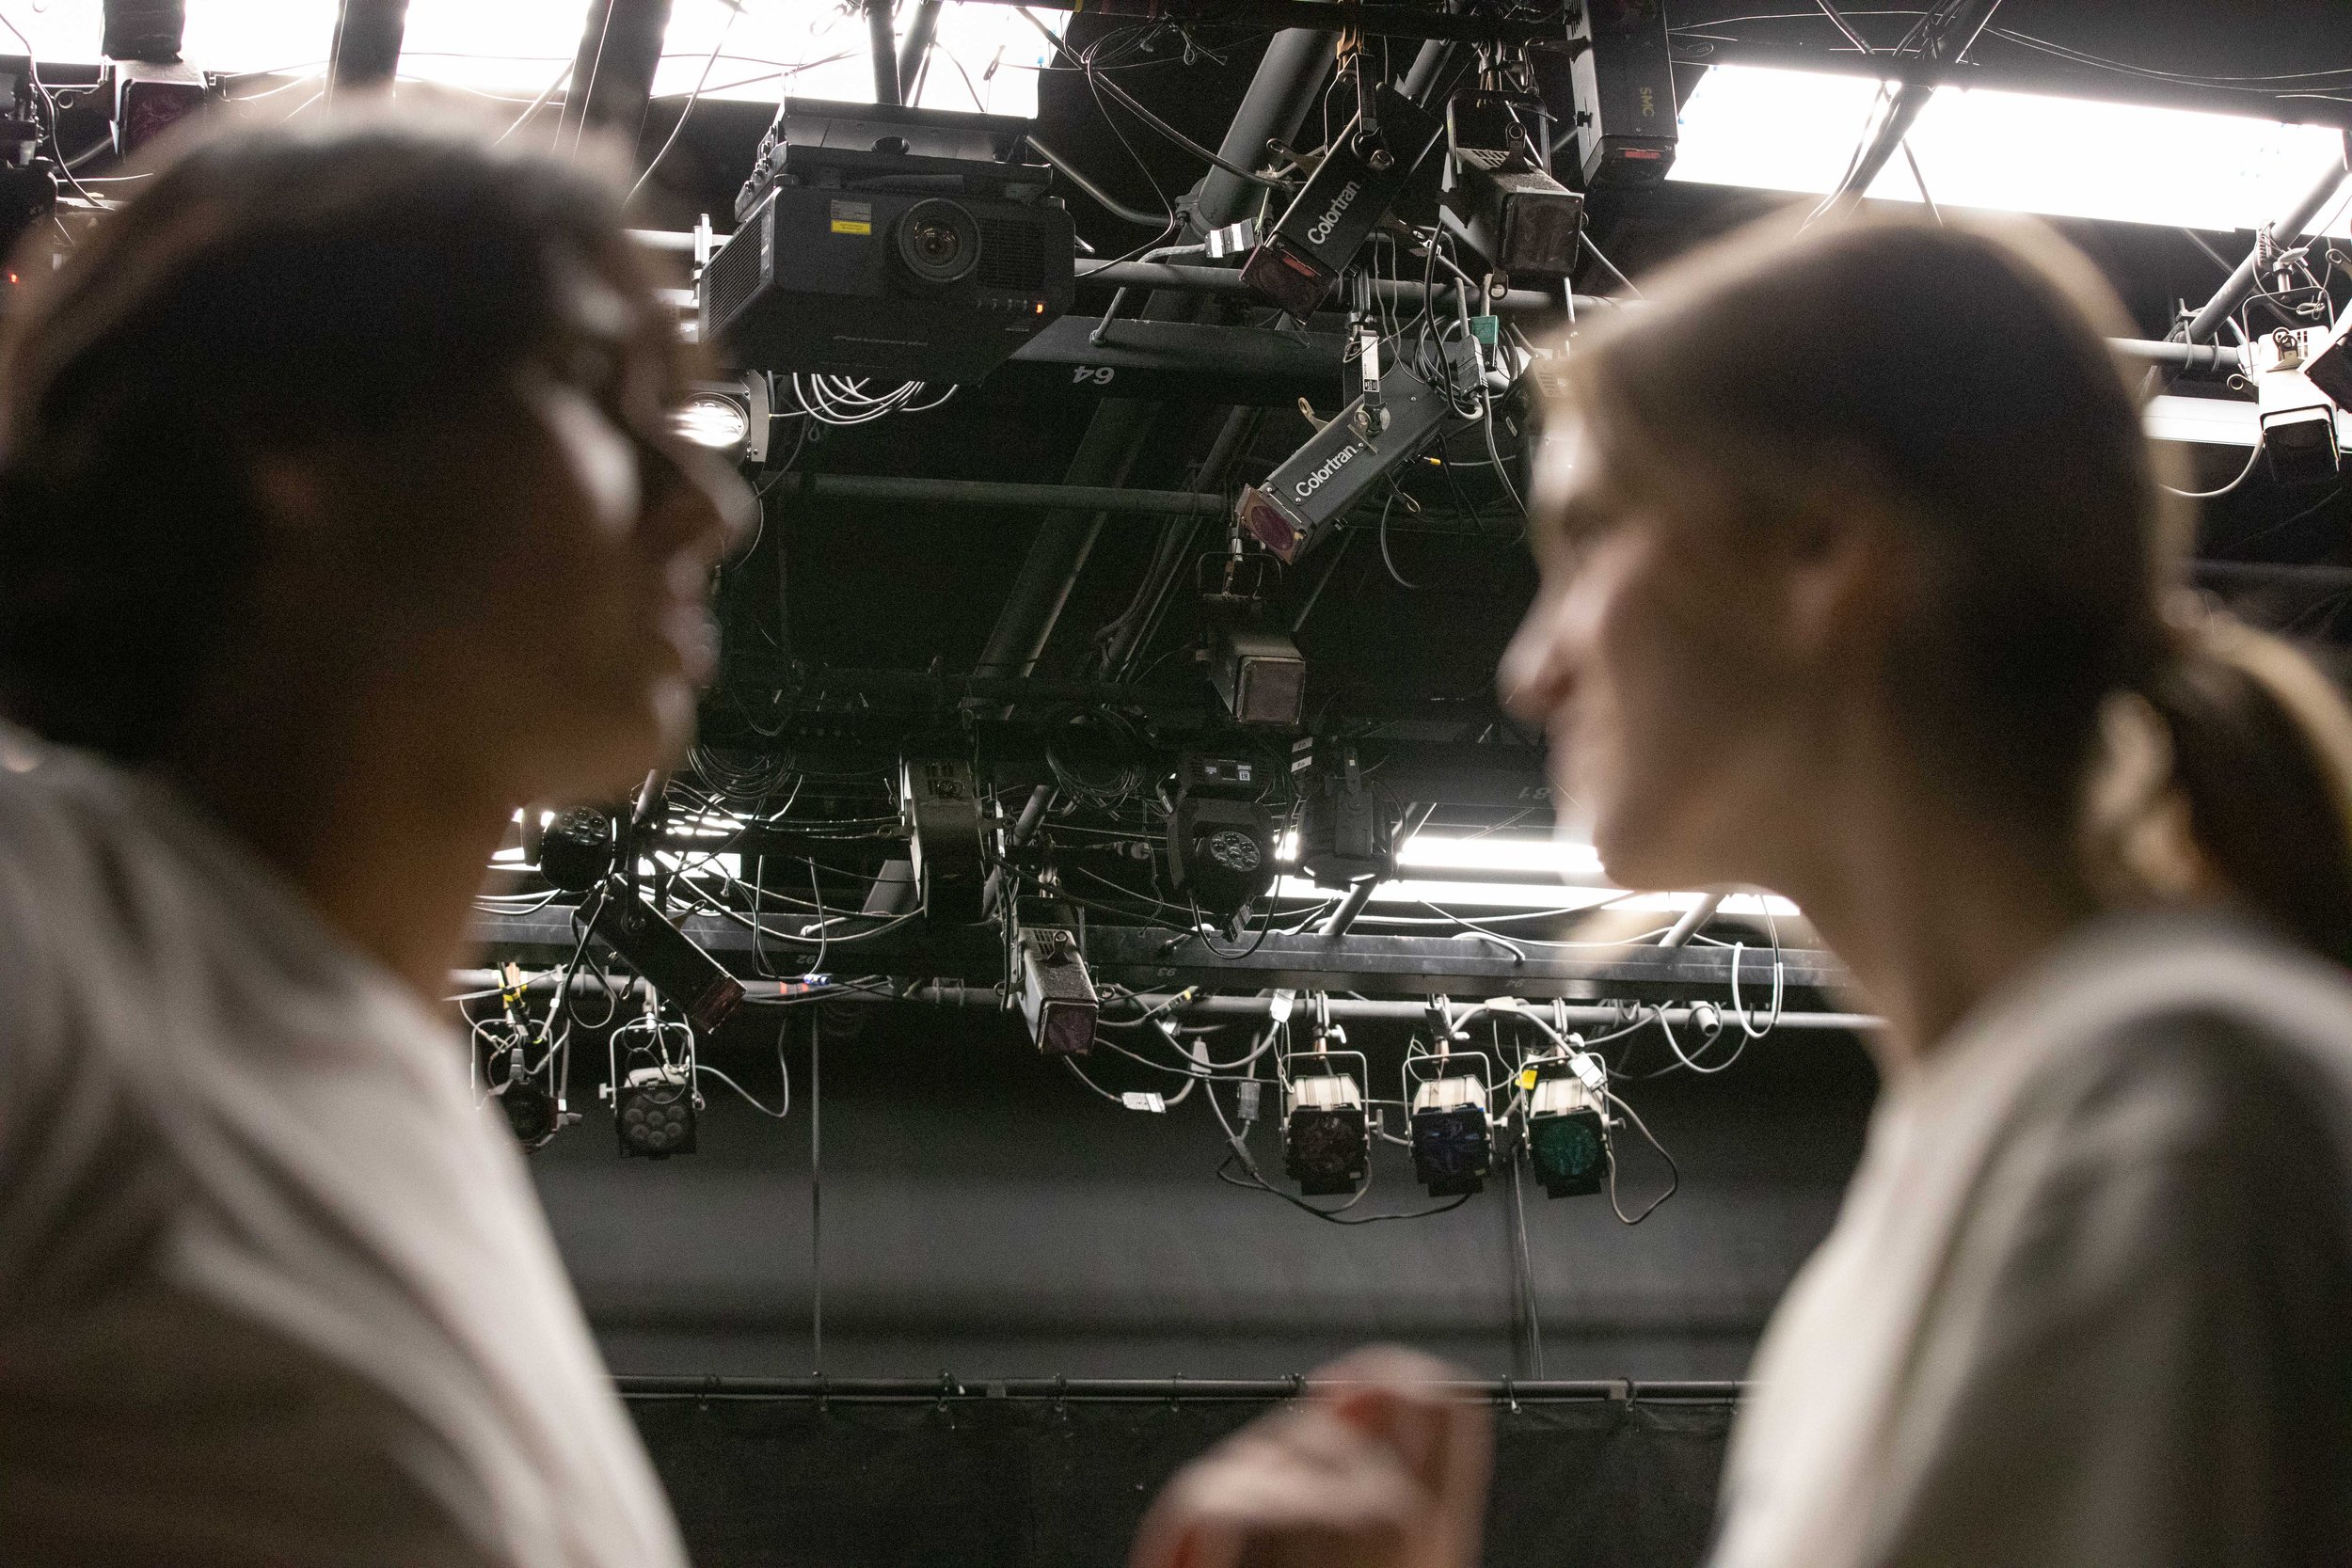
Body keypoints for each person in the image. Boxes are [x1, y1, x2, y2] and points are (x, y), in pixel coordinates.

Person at [1134, 211, 2352, 1568]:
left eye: (1589, 542)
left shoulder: (2155, 1124)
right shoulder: (1985, 1170)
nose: (1529, 671)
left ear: (1824, 551)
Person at [0, 110, 745, 1564]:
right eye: (600, 391)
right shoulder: (47, 926)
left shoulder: (394, 1101)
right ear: (285, 420)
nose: (704, 504)